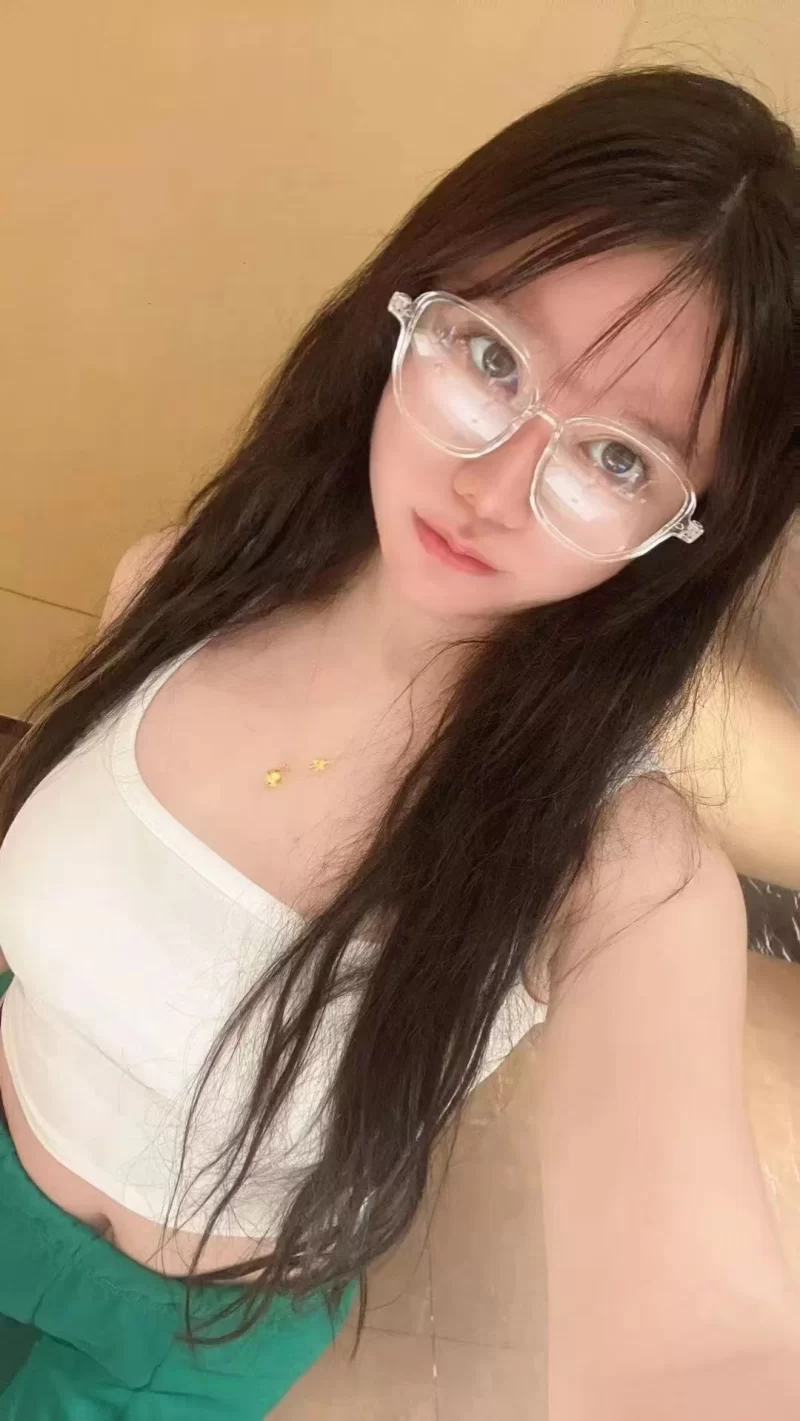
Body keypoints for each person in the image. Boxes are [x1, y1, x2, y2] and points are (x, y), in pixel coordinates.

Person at [0, 64, 798, 1420]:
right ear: (409, 310)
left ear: (686, 530)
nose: (492, 488)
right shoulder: (174, 586)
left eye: (617, 459)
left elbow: (693, 1335)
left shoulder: (624, 872)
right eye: (491, 360)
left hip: (177, 1350)